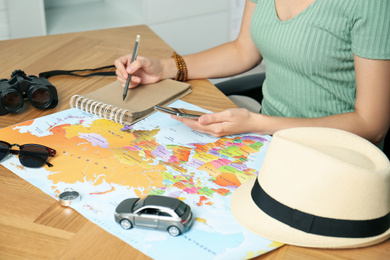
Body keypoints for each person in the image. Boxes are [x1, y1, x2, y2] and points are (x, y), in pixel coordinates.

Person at [115, 0, 390, 149]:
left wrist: (258, 123)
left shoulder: (372, 5)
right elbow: (243, 50)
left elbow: (372, 125)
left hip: (335, 154)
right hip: (267, 140)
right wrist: (165, 68)